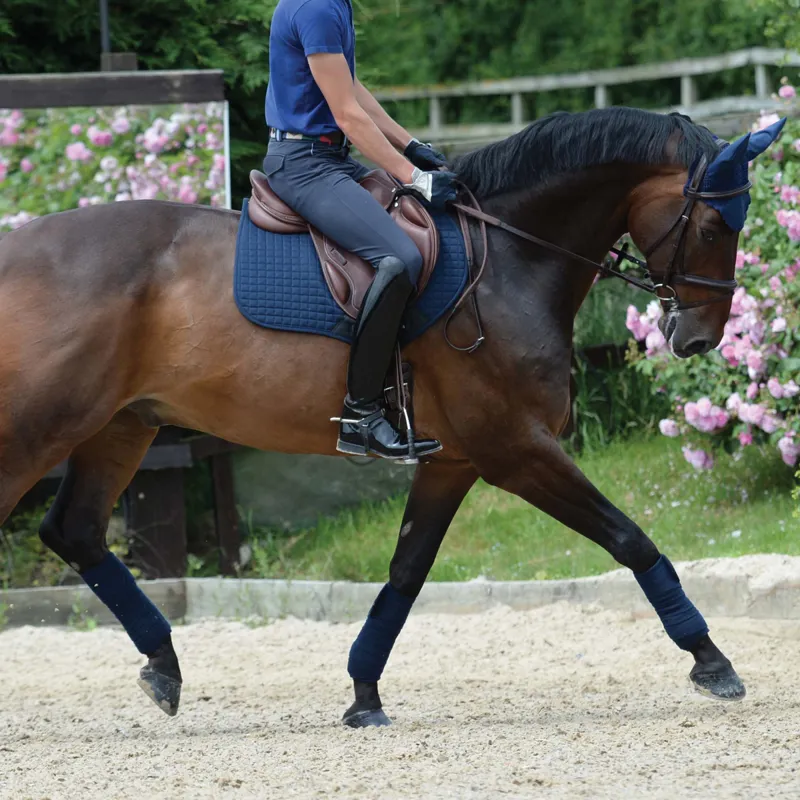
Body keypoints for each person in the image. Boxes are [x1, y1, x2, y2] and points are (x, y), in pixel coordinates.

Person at [263, 0, 458, 462]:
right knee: (400, 259)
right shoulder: (316, 6)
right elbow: (347, 115)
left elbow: (347, 85)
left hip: (329, 159)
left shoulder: (335, 4)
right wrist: (413, 177)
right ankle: (360, 416)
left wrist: (409, 144)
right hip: (304, 165)